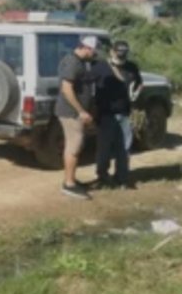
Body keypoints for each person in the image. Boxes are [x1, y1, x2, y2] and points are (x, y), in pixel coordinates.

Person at [91, 40, 142, 189]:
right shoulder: (100, 67)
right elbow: (86, 82)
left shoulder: (132, 67)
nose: (121, 56)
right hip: (106, 114)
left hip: (125, 114)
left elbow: (139, 83)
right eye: (119, 53)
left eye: (124, 53)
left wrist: (136, 95)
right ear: (112, 52)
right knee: (104, 148)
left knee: (124, 148)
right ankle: (102, 176)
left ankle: (122, 178)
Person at [55, 35, 98, 200]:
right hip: (71, 113)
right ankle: (69, 185)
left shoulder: (78, 61)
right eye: (93, 51)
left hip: (72, 112)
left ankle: (71, 179)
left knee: (74, 147)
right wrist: (81, 111)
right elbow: (67, 89)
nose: (94, 54)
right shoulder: (73, 63)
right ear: (86, 48)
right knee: (74, 147)